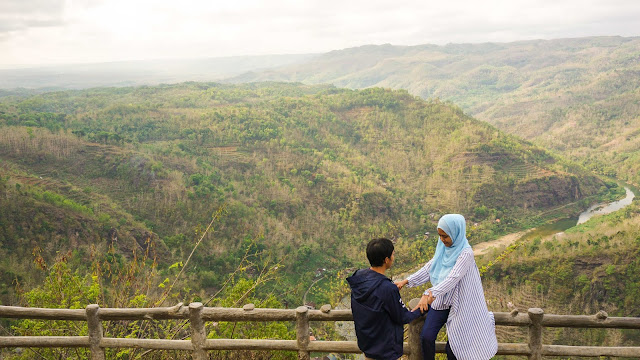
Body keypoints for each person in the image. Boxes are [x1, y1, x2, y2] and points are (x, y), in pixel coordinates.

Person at [395, 214, 497, 360]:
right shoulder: (443, 248)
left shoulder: (466, 253)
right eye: (440, 236)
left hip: (461, 302)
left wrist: (428, 293)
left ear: (456, 233)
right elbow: (430, 267)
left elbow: (453, 278)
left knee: (454, 348)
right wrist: (406, 281)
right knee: (427, 337)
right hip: (442, 300)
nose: (442, 240)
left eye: (445, 236)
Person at [347, 238, 432, 360]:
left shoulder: (359, 277)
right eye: (393, 254)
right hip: (385, 350)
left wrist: (391, 291)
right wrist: (423, 307)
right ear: (386, 260)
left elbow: (376, 298)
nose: (394, 256)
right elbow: (403, 317)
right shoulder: (387, 288)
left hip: (368, 346)